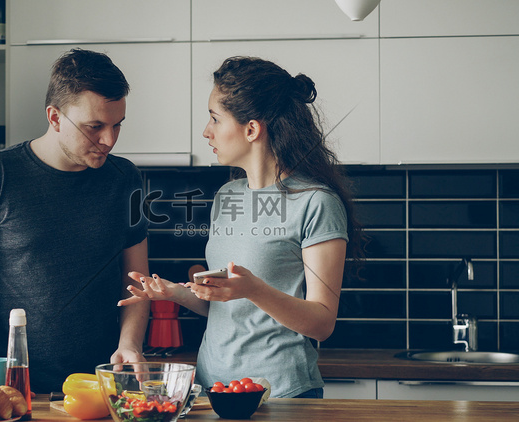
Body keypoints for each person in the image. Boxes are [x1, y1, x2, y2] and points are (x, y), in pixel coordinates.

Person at [120, 56, 364, 398]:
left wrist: (255, 289)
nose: (207, 131)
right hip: (211, 388)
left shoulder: (316, 203)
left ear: (251, 129)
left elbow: (322, 323)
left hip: (280, 393)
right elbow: (227, 304)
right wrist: (175, 292)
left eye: (215, 119)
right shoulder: (227, 196)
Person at [0, 48, 150, 393]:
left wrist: (130, 343)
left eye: (117, 125)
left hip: (100, 388)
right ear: (54, 117)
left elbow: (136, 280)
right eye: (95, 127)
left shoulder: (125, 179)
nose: (109, 140)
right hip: (17, 387)